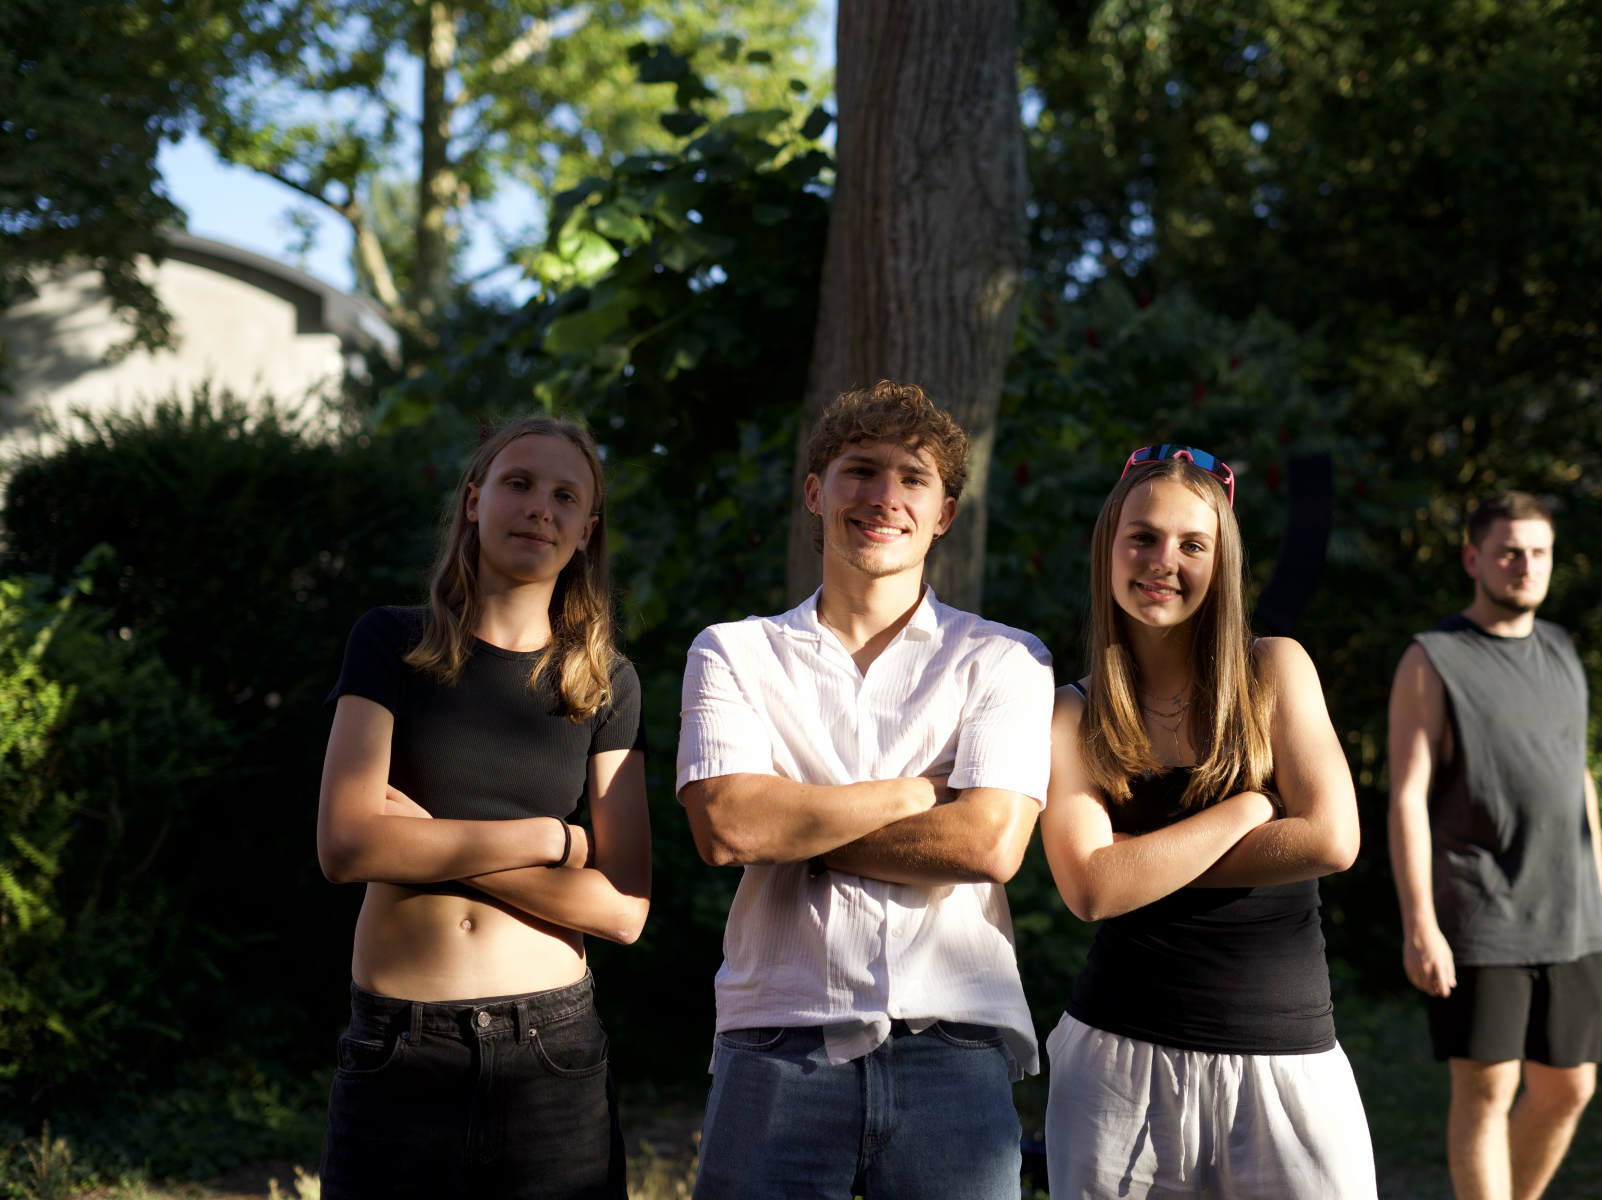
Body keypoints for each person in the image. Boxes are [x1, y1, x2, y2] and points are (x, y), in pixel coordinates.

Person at [677, 381, 1054, 1200]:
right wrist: (917, 794)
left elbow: (988, 843)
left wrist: (800, 831)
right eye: (861, 471)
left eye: (913, 478)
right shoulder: (734, 653)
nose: (885, 496)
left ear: (944, 513)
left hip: (952, 1044)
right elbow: (728, 827)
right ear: (816, 493)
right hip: (777, 1039)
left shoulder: (1004, 659)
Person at [316, 415, 651, 1198]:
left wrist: (422, 838)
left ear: (586, 531)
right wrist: (546, 840)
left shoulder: (606, 683)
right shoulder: (390, 643)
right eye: (519, 483)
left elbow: (623, 910)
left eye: (565, 496)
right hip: (399, 1053)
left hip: (552, 1056)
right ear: (474, 501)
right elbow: (345, 846)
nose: (540, 507)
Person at [1039, 444, 1374, 1200]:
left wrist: (1142, 860)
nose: (1165, 560)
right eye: (1143, 537)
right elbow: (1091, 888)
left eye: (1193, 544)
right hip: (1117, 1067)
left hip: (1287, 1062)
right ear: (1109, 547)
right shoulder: (1073, 712)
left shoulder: (1275, 669)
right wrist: (1250, 808)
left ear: (1222, 564)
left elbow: (1332, 838)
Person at [1387, 491, 1602, 1200]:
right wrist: (1420, 923)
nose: (1526, 565)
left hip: (1573, 910)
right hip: (1483, 906)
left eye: (1539, 552)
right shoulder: (1433, 658)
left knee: (1571, 1087)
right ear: (1473, 558)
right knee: (1488, 1090)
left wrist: (1599, 881)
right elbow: (1407, 797)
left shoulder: (1562, 648)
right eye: (1510, 552)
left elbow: (1577, 769)